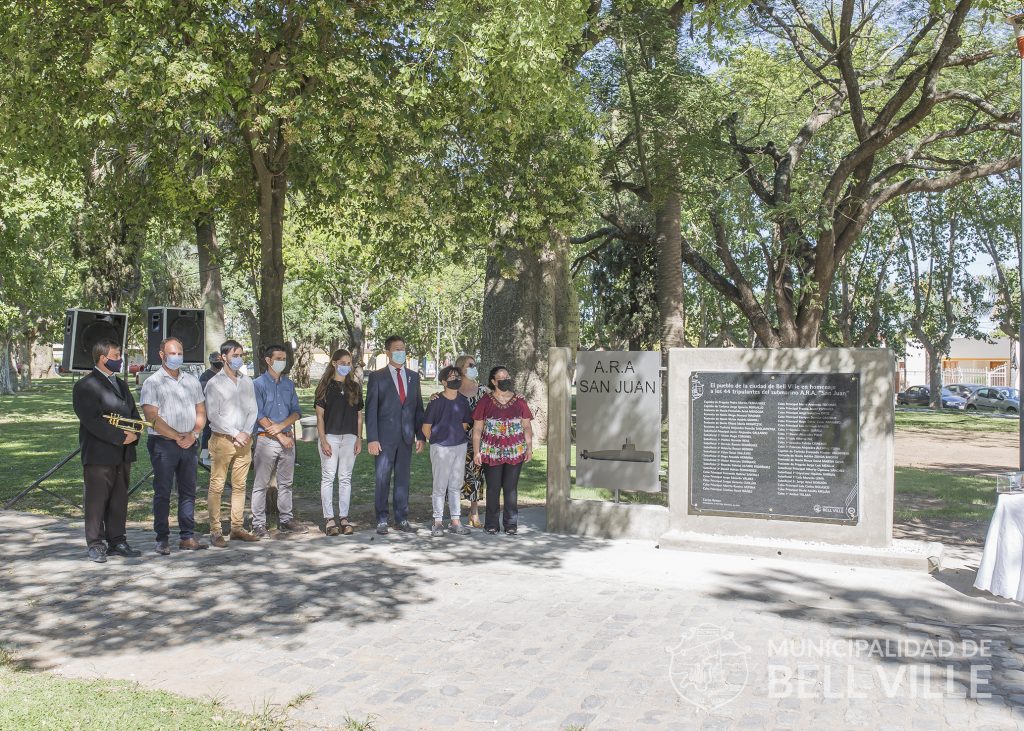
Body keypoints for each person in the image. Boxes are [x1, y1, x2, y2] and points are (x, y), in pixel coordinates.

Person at [71, 339, 143, 562]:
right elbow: (93, 421)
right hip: (99, 453)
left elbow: (133, 413)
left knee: (119, 499)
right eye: (116, 355)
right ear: (103, 358)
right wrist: (121, 437)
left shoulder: (121, 384)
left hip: (123, 453)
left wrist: (135, 433)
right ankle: (95, 543)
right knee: (96, 500)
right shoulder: (85, 386)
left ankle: (117, 540)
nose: (120, 359)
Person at [140, 337, 209, 554]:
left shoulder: (192, 381)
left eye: (179, 353)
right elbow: (152, 417)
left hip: (189, 442)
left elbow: (201, 411)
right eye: (172, 353)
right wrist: (177, 436)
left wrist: (194, 434)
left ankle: (187, 536)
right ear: (162, 355)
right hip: (163, 444)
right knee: (163, 492)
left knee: (188, 491)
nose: (177, 357)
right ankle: (162, 538)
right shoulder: (152, 382)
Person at [365, 335, 425, 535]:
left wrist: (420, 435)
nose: (401, 352)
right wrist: (372, 438)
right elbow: (371, 410)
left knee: (403, 479)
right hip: (384, 438)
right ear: (388, 352)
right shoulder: (377, 377)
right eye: (397, 349)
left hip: (406, 437)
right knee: (382, 478)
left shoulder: (413, 377)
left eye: (403, 348)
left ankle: (402, 518)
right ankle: (382, 519)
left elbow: (418, 408)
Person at [204, 339, 259, 547]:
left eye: (241, 355)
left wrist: (245, 432)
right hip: (223, 440)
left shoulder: (247, 381)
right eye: (235, 355)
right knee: (217, 485)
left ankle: (237, 528)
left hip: (244, 441)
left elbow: (253, 409)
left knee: (240, 485)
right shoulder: (214, 383)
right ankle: (215, 530)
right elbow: (213, 415)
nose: (238, 359)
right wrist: (236, 433)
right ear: (223, 357)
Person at [252, 344, 307, 536]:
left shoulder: (289, 385)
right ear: (268, 360)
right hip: (266, 440)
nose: (282, 362)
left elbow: (297, 411)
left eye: (284, 359)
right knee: (261, 484)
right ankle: (258, 524)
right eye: (278, 359)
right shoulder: (257, 384)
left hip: (288, 440)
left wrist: (283, 427)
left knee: (286, 483)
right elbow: (258, 414)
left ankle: (286, 519)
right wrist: (279, 435)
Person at [472, 366, 533, 535]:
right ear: (493, 381)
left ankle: (511, 523)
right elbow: (477, 429)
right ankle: (491, 524)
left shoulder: (520, 401)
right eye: (501, 378)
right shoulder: (485, 401)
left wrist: (529, 448)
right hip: (491, 451)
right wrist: (477, 451)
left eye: (507, 376)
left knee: (510, 487)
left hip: (515, 450)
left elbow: (527, 426)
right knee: (493, 487)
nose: (506, 380)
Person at [429, 354, 486, 527]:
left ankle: (474, 512)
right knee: (451, 477)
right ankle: (449, 514)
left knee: (476, 475)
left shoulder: (484, 390)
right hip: (453, 440)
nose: (473, 368)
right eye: (470, 365)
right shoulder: (454, 390)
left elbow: (501, 397)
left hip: (477, 441)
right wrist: (433, 397)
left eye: (474, 364)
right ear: (461, 369)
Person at [314, 348, 363, 536]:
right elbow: (320, 417)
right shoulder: (324, 387)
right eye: (343, 363)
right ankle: (329, 519)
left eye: (349, 363)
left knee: (345, 478)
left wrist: (359, 438)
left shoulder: (355, 387)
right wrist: (323, 440)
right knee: (328, 477)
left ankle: (344, 517)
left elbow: (359, 416)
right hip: (330, 437)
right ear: (334, 363)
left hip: (350, 437)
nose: (346, 366)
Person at [423, 365, 473, 537]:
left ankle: (455, 521)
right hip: (441, 447)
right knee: (440, 485)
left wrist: (455, 437)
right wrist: (437, 440)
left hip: (459, 445)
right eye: (451, 377)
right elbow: (426, 428)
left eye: (457, 376)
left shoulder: (463, 401)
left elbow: (465, 424)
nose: (456, 379)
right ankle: (437, 521)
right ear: (443, 382)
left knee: (455, 485)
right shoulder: (436, 401)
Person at [198, 351, 223, 466]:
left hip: (222, 410)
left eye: (221, 361)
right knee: (207, 433)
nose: (219, 363)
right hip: (209, 409)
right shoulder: (205, 376)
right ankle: (205, 456)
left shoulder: (223, 374)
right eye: (217, 361)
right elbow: (203, 394)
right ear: (211, 362)